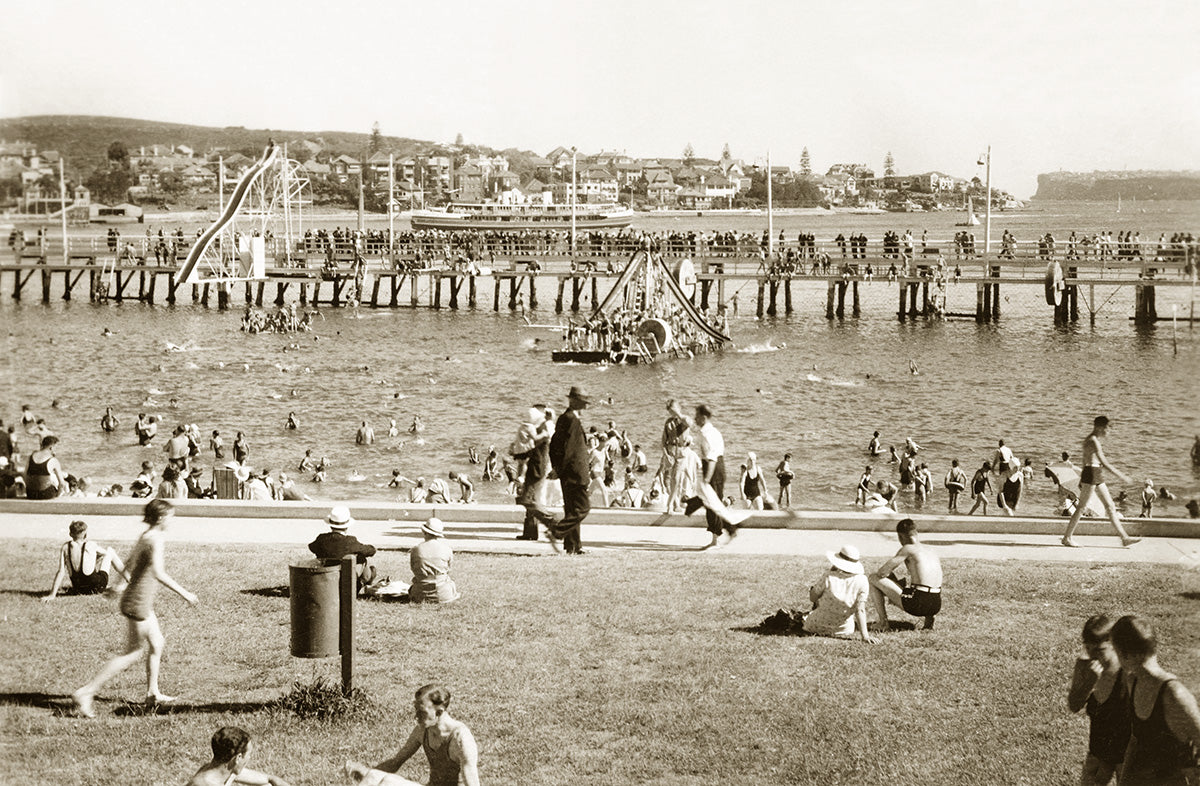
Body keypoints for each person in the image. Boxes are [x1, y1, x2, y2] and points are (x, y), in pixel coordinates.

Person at [72, 500, 199, 718]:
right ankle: (86, 691)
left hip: (138, 598)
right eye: (170, 516)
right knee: (132, 652)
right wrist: (185, 593)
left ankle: (152, 693)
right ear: (160, 518)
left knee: (157, 642)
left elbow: (131, 560)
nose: (172, 520)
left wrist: (121, 586)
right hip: (138, 601)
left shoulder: (147, 535)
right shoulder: (155, 539)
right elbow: (158, 572)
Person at [1110, 615, 1200, 784]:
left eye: (1116, 652)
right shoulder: (1133, 681)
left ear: (1126, 655)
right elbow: (1136, 737)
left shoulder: (1173, 694)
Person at [350, 684, 480, 786]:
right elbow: (396, 762)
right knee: (373, 775)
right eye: (416, 710)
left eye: (422, 712)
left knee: (387, 782)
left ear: (439, 713)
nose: (416, 716)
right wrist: (367, 773)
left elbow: (472, 782)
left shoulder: (460, 738)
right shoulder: (423, 730)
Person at [1066, 615, 1129, 786]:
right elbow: (1073, 705)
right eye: (1088, 649)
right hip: (1097, 752)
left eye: (1099, 651)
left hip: (1127, 757)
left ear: (1114, 645)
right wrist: (1089, 683)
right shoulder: (1084, 666)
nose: (1093, 656)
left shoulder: (1128, 672)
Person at [1062, 416, 1140, 548]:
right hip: (1092, 473)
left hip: (1095, 473)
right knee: (1081, 507)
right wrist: (1121, 476)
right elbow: (1104, 462)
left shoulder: (1091, 440)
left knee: (1110, 506)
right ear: (1099, 427)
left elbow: (1084, 459)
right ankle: (1067, 538)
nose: (1108, 430)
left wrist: (1081, 478)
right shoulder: (1093, 441)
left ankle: (1124, 538)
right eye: (1107, 427)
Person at [868, 519, 943, 631]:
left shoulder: (908, 549)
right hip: (936, 604)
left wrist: (892, 585)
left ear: (901, 536)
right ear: (916, 533)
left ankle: (883, 623)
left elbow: (882, 572)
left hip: (918, 604)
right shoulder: (931, 550)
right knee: (926, 586)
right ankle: (929, 623)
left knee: (873, 578)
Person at [798, 545, 877, 643]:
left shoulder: (829, 576)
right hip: (844, 629)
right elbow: (860, 609)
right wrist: (865, 636)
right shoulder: (862, 580)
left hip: (816, 625)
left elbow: (813, 598)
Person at [548, 386, 592, 555]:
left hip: (568, 472)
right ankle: (557, 531)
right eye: (583, 401)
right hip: (575, 472)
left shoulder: (564, 418)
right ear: (575, 401)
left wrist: (557, 468)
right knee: (583, 508)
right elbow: (570, 450)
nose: (586, 405)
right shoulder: (572, 420)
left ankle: (573, 545)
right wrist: (559, 468)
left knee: (572, 509)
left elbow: (555, 446)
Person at [44, 520, 127, 600]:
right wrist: (96, 559)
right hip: (97, 587)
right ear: (85, 534)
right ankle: (130, 580)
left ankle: (126, 582)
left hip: (78, 588)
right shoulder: (91, 545)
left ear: (70, 534)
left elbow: (61, 572)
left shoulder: (65, 547)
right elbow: (106, 554)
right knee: (110, 551)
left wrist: (52, 595)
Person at [185, 726, 292, 786]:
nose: (249, 759)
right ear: (238, 758)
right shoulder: (203, 784)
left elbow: (270, 779)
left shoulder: (221, 770)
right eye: (248, 755)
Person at [511, 406, 557, 542]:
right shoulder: (540, 430)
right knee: (530, 499)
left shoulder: (543, 432)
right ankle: (530, 532)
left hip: (537, 469)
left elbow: (536, 447)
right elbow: (531, 450)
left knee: (526, 499)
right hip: (536, 467)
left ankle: (551, 521)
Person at [308, 506, 379, 591]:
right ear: (346, 527)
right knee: (361, 558)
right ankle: (365, 581)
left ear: (330, 526)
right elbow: (371, 551)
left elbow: (311, 547)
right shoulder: (350, 541)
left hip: (327, 576)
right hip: (346, 578)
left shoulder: (321, 538)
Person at [408, 518, 459, 604]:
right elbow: (448, 569)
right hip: (443, 594)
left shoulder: (416, 549)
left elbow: (413, 569)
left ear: (424, 532)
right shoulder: (447, 549)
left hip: (419, 594)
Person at [26, 435, 67, 499]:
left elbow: (25, 475)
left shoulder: (31, 457)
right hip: (45, 494)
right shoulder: (53, 460)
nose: (57, 450)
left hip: (30, 494)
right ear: (51, 447)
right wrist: (58, 494)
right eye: (56, 448)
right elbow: (61, 483)